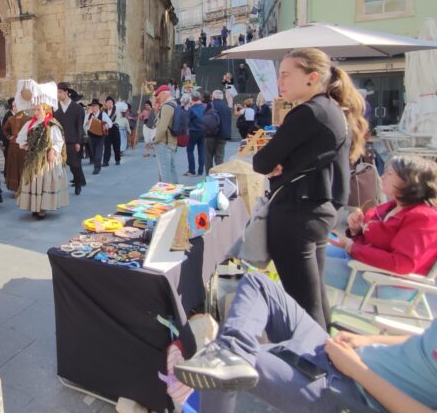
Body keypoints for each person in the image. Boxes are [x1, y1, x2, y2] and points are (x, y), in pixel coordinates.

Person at [174, 273, 437, 413]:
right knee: (259, 284)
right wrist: (366, 338)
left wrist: (356, 369)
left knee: (216, 364)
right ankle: (234, 351)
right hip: (346, 358)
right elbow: (424, 340)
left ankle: (231, 356)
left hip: (354, 392)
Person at [252, 48, 367, 329]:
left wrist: (278, 163)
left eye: (287, 75)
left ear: (312, 77)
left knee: (301, 303)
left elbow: (261, 161)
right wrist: (282, 162)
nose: (281, 82)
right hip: (314, 210)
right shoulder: (329, 109)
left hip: (298, 212)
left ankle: (312, 364)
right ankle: (325, 355)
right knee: (313, 297)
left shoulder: (309, 113)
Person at [325, 154, 437, 298]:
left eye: (390, 173)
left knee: (306, 266)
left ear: (410, 181)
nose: (383, 176)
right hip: (366, 266)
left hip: (386, 282)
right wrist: (357, 231)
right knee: (305, 251)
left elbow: (402, 264)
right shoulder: (393, 206)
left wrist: (351, 246)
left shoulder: (424, 217)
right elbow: (378, 242)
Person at [17, 101, 69, 219]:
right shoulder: (30, 123)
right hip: (32, 158)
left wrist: (53, 151)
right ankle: (34, 206)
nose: (36, 112)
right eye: (35, 109)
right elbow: (21, 137)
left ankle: (42, 208)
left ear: (46, 110)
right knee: (33, 181)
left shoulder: (51, 124)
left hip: (46, 159)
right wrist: (24, 144)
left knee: (44, 182)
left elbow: (59, 141)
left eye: (39, 109)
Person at [54, 83, 86, 196]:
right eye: (57, 92)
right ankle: (57, 187)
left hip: (72, 141)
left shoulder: (77, 108)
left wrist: (78, 142)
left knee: (74, 165)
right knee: (58, 166)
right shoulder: (55, 108)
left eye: (60, 92)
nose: (58, 95)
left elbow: (80, 127)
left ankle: (78, 183)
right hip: (58, 142)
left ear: (66, 92)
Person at [2, 99, 31, 194]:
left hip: (24, 147)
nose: (13, 108)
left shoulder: (28, 119)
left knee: (23, 166)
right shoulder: (10, 119)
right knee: (14, 167)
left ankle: (25, 188)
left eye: (16, 106)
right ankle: (16, 189)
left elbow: (32, 132)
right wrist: (10, 137)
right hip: (13, 147)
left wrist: (28, 141)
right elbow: (5, 130)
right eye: (13, 106)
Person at [152, 85, 178, 184]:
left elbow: (162, 127)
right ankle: (176, 191)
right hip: (170, 141)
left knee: (165, 172)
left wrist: (155, 140)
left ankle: (168, 194)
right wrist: (157, 110)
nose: (158, 99)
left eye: (158, 96)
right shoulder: (173, 104)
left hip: (164, 142)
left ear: (163, 94)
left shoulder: (167, 106)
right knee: (171, 169)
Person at [205, 90, 232, 174]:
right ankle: (220, 176)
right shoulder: (227, 107)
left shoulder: (210, 105)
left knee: (208, 157)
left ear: (213, 97)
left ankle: (209, 176)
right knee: (219, 156)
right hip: (223, 136)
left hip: (210, 135)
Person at [84, 99, 110, 175]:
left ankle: (97, 168)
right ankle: (96, 164)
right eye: (92, 106)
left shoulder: (103, 114)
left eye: (95, 106)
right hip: (91, 136)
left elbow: (110, 124)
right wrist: (87, 123)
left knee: (99, 152)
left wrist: (106, 125)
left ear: (99, 107)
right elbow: (83, 125)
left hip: (100, 136)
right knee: (93, 151)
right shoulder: (88, 115)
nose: (93, 107)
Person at [185, 91, 206, 177]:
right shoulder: (204, 107)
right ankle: (201, 170)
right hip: (203, 131)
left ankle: (191, 170)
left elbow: (187, 120)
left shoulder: (191, 109)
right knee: (201, 151)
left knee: (190, 150)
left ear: (192, 98)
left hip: (193, 131)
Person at [102, 97, 121, 167]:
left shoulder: (117, 111)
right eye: (108, 102)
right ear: (106, 103)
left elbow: (118, 120)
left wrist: (110, 123)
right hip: (107, 131)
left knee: (116, 146)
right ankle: (105, 161)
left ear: (113, 104)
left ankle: (117, 159)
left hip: (115, 129)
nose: (109, 104)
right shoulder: (104, 112)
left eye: (111, 102)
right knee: (107, 146)